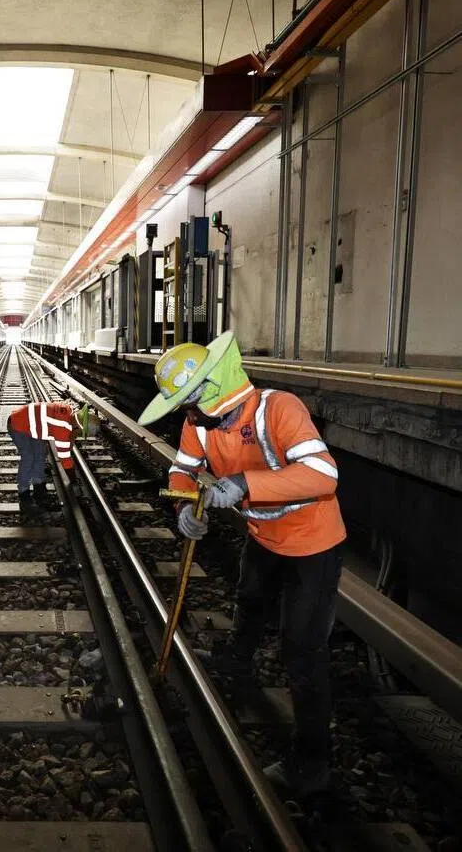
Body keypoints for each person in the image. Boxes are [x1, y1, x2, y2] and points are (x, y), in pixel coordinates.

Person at [138, 331, 346, 797]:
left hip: (312, 544)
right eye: (183, 404)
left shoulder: (279, 408)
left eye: (191, 400)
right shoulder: (200, 423)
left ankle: (313, 762)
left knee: (303, 651)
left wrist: (243, 483)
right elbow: (182, 470)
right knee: (249, 600)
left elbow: (323, 473)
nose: (186, 412)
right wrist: (184, 508)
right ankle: (237, 662)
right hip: (262, 535)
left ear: (214, 387)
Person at [7, 401, 99, 514]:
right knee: (29, 458)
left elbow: (68, 441)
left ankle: (40, 494)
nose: (80, 435)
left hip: (33, 427)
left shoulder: (70, 415)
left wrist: (70, 442)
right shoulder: (62, 426)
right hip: (17, 425)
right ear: (77, 427)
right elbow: (65, 458)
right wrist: (73, 479)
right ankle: (24, 497)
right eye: (81, 433)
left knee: (40, 457)